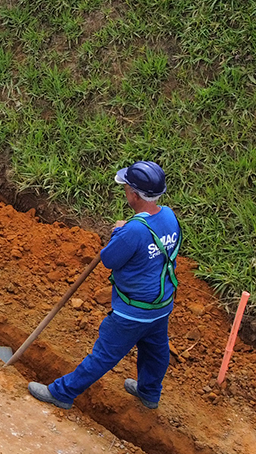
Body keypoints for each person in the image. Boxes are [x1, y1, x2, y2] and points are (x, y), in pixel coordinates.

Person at [29, 160, 181, 411]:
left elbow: (110, 260)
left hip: (132, 312)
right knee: (156, 351)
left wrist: (119, 233)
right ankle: (149, 392)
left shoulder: (134, 231)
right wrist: (129, 229)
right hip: (161, 305)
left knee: (103, 355)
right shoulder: (169, 217)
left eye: (126, 188)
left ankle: (62, 393)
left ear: (134, 194)